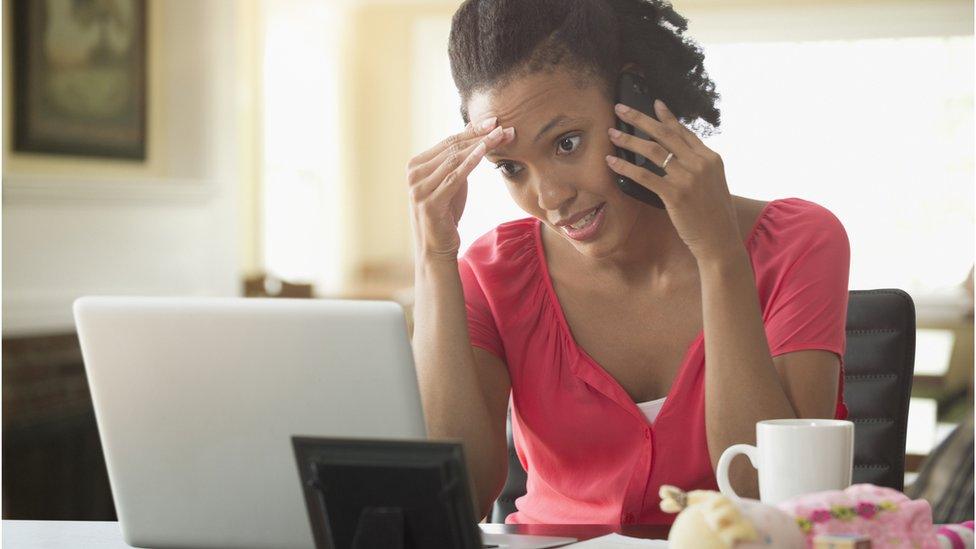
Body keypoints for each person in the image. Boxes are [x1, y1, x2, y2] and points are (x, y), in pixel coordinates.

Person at [407, 0, 850, 525]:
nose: (549, 196)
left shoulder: (797, 242)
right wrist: (434, 259)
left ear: (633, 101)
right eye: (510, 168)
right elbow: (456, 505)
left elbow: (773, 502)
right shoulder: (491, 273)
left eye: (567, 143)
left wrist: (720, 256)